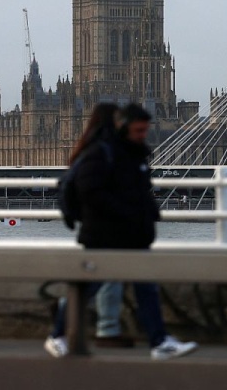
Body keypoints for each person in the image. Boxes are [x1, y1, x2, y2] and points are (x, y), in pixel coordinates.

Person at [65, 103, 197, 360]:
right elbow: (92, 192)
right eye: (139, 130)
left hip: (131, 232)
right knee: (92, 285)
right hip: (109, 232)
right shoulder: (102, 153)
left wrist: (148, 213)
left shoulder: (129, 151)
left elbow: (137, 188)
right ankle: (61, 331)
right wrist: (127, 212)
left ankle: (158, 340)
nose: (143, 135)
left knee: (143, 286)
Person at [45, 103, 133, 357]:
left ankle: (107, 328)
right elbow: (91, 192)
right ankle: (67, 319)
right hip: (101, 228)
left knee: (109, 278)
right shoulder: (99, 152)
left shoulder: (108, 149)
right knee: (99, 279)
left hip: (109, 228)